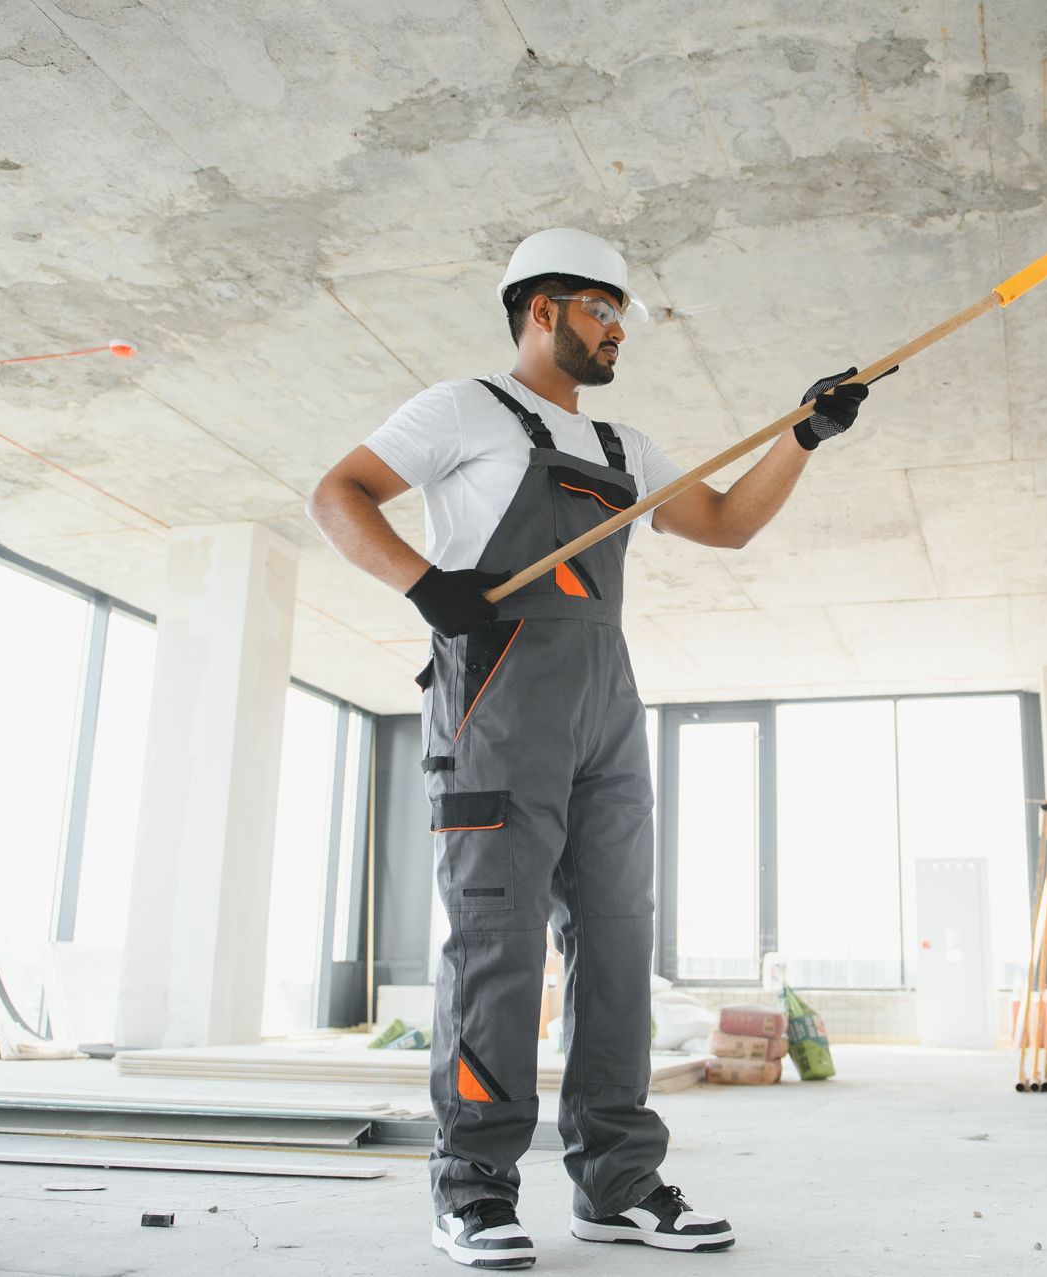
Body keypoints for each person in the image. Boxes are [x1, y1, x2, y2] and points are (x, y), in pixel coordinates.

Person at [308, 228, 873, 1269]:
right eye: (602, 308)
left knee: (618, 947)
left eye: (622, 313)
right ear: (542, 309)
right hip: (497, 701)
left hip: (606, 708)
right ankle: (473, 1189)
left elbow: (723, 522)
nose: (619, 329)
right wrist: (423, 583)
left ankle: (616, 1182)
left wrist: (804, 434)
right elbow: (337, 492)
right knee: (499, 947)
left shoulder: (624, 449)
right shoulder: (461, 408)